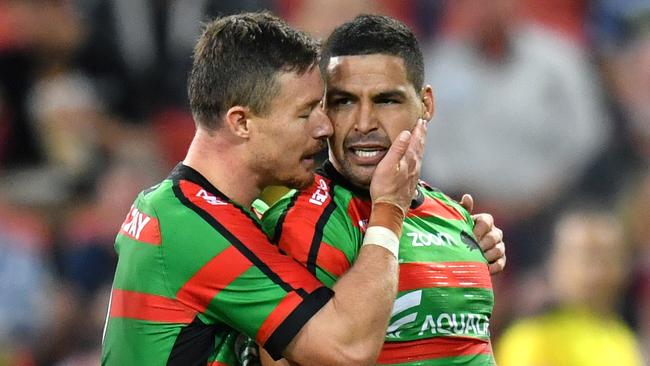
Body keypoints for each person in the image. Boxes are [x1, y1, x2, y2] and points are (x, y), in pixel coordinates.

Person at [100, 12, 429, 365]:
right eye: (305, 113)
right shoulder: (187, 226)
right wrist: (389, 210)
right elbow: (346, 350)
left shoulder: (197, 210)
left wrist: (455, 233)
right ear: (241, 122)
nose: (325, 127)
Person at [260, 15, 503, 365]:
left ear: (426, 105)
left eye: (386, 100)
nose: (363, 123)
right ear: (322, 109)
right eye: (344, 101)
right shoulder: (303, 224)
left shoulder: (454, 216)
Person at [496, 208, 644, 366]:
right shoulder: (532, 339)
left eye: (607, 259)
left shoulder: (622, 338)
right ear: (554, 263)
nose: (596, 272)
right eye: (584, 257)